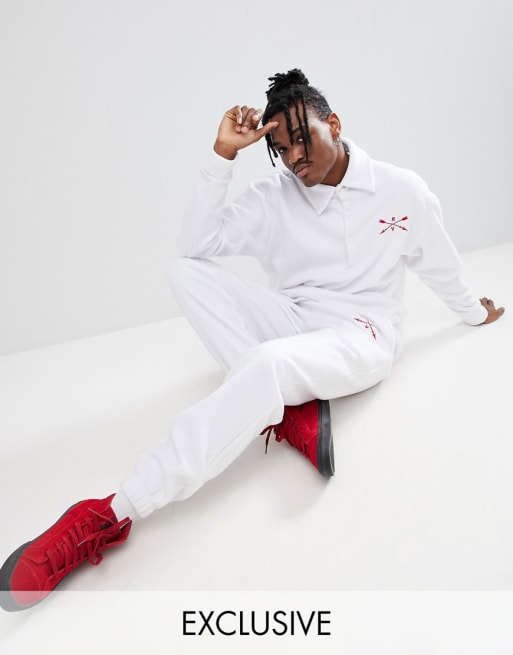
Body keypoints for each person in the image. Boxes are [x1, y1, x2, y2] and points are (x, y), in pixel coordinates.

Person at [0, 69, 504, 612]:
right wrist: (222, 156)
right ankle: (285, 408)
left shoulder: (401, 189)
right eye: (281, 150)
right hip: (294, 318)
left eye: (302, 139)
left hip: (363, 333)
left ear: (334, 124)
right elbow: (195, 246)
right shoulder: (274, 197)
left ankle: (114, 511)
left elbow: (440, 263)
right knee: (184, 273)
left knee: (265, 365)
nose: (293, 158)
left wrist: (473, 310)